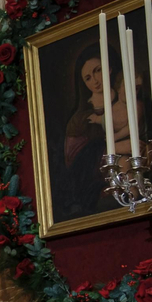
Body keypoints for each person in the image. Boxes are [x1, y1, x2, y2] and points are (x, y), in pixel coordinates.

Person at [57, 42, 122, 219]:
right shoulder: (80, 119)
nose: (94, 80)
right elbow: (74, 159)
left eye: (98, 70)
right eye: (87, 78)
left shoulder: (127, 102)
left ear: (109, 68)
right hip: (95, 176)